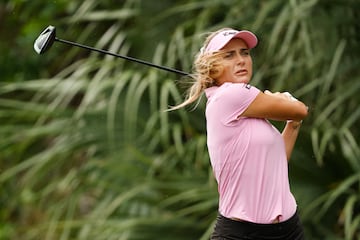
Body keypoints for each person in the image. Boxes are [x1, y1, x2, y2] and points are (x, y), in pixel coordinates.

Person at [170, 27, 309, 239]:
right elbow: (301, 109)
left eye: (244, 53)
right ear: (212, 67)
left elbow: (276, 163)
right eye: (229, 55)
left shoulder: (244, 109)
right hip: (244, 234)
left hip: (289, 230)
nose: (241, 60)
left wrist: (292, 125)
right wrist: (286, 102)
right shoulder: (230, 96)